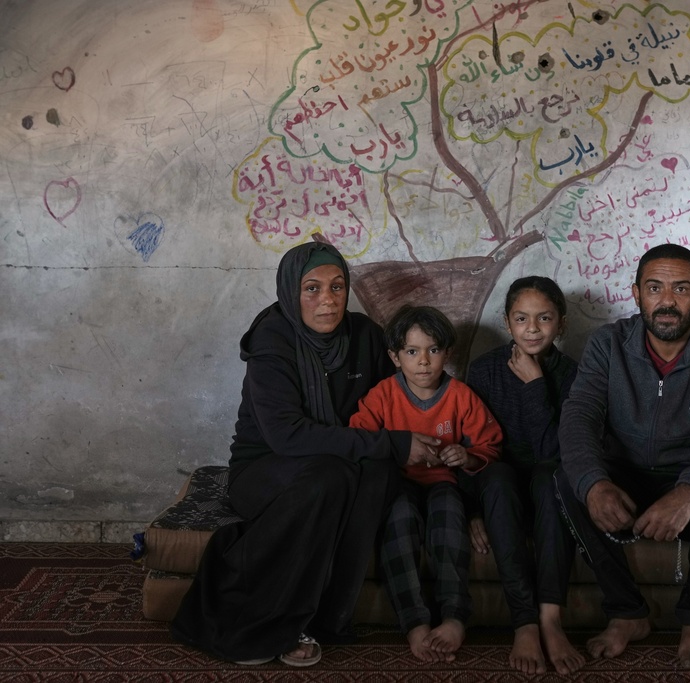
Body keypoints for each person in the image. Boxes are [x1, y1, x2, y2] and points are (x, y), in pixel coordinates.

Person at [170, 241, 443, 667]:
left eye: (337, 287)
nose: (327, 301)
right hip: (263, 473)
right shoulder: (272, 340)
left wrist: (430, 447)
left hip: (336, 467)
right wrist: (390, 442)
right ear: (290, 291)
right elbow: (287, 437)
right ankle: (273, 621)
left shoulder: (365, 336)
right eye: (311, 289)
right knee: (329, 477)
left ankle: (325, 618)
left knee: (377, 473)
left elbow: (397, 404)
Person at [555, 243, 690, 669]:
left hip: (688, 477)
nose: (667, 301)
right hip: (624, 476)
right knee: (566, 478)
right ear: (636, 293)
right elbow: (578, 418)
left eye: (681, 289)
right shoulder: (607, 344)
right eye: (655, 288)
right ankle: (627, 612)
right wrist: (594, 483)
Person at [349, 305, 502, 663]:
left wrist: (467, 457)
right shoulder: (383, 395)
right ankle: (415, 621)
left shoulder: (461, 396)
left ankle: (453, 617)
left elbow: (490, 444)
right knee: (399, 517)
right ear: (394, 356)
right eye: (412, 352)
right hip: (398, 485)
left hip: (444, 485)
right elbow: (358, 437)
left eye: (433, 351)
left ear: (447, 353)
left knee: (448, 512)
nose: (423, 362)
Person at [462, 276, 586, 675]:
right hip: (498, 492)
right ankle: (525, 623)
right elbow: (469, 449)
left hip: (549, 489)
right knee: (497, 475)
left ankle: (550, 619)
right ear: (507, 321)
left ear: (561, 324)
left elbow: (554, 453)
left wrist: (535, 385)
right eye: (522, 318)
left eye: (544, 318)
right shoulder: (483, 371)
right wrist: (471, 511)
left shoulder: (573, 376)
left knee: (551, 475)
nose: (532, 328)